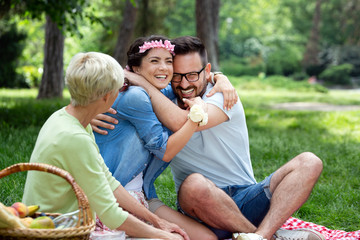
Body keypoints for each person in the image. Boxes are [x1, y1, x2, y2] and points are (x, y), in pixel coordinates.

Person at [95, 36, 325, 240]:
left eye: (192, 75)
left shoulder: (221, 96)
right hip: (199, 206)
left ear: (207, 70)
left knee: (310, 161)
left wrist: (220, 78)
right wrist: (89, 113)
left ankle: (260, 236)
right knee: (194, 184)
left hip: (246, 198)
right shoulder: (164, 96)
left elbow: (180, 121)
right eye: (178, 76)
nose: (185, 84)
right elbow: (103, 94)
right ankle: (268, 237)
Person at [22, 52, 187, 239]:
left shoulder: (66, 118)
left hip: (63, 224)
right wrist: (163, 235)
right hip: (55, 231)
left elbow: (109, 182)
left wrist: (157, 221)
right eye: (121, 87)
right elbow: (110, 214)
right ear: (107, 96)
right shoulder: (74, 138)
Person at [93, 35, 237, 240]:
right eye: (154, 61)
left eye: (168, 61)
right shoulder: (135, 96)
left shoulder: (162, 90)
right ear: (135, 68)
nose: (164, 68)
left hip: (143, 195)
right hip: (115, 197)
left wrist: (219, 77)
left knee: (207, 238)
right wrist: (196, 116)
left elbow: (187, 80)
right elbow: (166, 150)